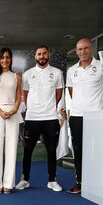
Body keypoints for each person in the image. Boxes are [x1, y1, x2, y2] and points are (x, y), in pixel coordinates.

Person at [15, 45, 64, 192]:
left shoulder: (57, 73)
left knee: (51, 150)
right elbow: (25, 94)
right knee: (28, 150)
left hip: (50, 117)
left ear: (48, 55)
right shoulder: (28, 74)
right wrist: (34, 107)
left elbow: (59, 94)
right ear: (35, 56)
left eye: (44, 53)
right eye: (39, 54)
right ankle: (25, 179)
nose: (41, 56)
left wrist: (48, 107)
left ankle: (52, 180)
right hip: (32, 118)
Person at [66, 38, 103, 194]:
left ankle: (97, 183)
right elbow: (71, 91)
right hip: (76, 116)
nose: (83, 52)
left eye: (86, 48)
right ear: (76, 52)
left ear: (91, 49)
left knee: (96, 150)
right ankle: (80, 182)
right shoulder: (71, 70)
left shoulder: (102, 66)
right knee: (79, 151)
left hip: (96, 116)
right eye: (80, 49)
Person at [0, 48, 22, 194]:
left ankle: (8, 183)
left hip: (13, 113)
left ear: (11, 59)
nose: (5, 60)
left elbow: (19, 96)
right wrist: (0, 111)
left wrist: (14, 109)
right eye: (2, 58)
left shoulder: (17, 77)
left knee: (12, 148)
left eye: (7, 57)